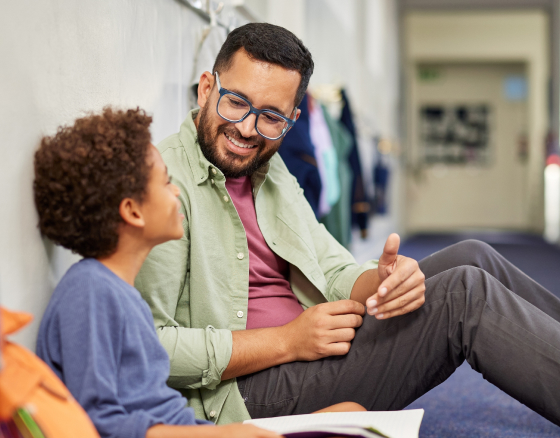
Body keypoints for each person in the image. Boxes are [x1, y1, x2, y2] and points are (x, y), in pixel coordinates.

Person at [135, 22, 560, 426]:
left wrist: (383, 281)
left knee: (474, 255)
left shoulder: (269, 166)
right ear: (207, 88)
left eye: (271, 117)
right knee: (464, 295)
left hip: (316, 339)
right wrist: (288, 341)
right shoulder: (164, 183)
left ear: (292, 120)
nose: (248, 129)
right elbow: (149, 347)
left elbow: (331, 266)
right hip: (247, 391)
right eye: (236, 102)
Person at [32, 107, 286, 438]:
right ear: (133, 211)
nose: (177, 191)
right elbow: (98, 424)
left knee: (345, 414)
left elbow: (162, 411)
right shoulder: (89, 291)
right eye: (166, 181)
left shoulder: (122, 294)